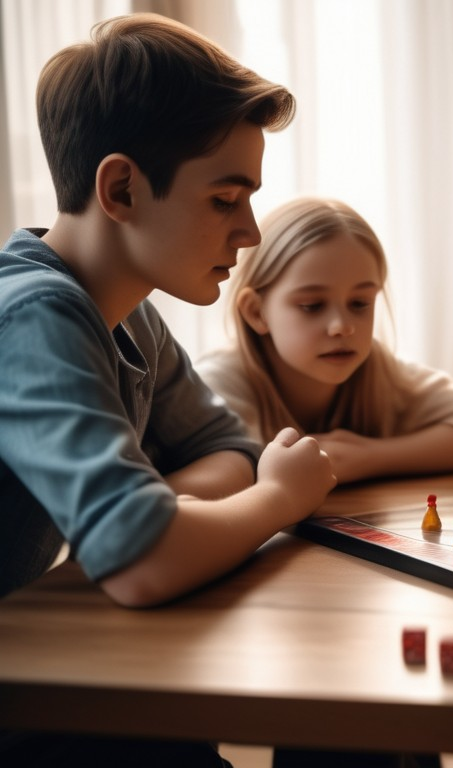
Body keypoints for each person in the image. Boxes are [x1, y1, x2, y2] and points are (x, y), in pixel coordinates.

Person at [0, 13, 334, 766]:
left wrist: (158, 516)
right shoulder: (34, 316)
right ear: (120, 187)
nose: (250, 232)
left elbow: (225, 450)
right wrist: (282, 497)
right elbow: (145, 562)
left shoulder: (129, 310)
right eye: (225, 199)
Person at [197, 197, 453, 483]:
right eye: (312, 306)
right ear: (256, 311)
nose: (342, 327)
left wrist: (368, 457)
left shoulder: (379, 371)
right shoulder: (218, 384)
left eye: (359, 304)